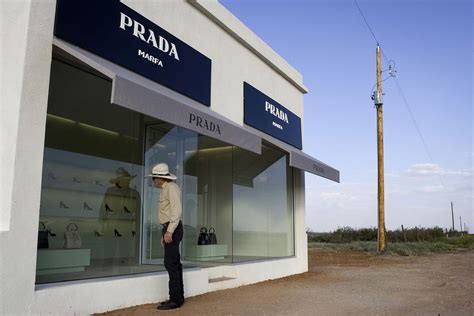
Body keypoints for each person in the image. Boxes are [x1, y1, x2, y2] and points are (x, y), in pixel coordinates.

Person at [146, 162, 184, 310]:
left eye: (154, 178)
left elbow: (176, 211)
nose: (153, 180)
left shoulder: (171, 188)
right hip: (169, 228)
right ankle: (177, 297)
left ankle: (175, 300)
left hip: (172, 228)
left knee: (171, 264)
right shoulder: (165, 189)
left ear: (160, 178)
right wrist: (165, 231)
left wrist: (169, 231)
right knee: (174, 263)